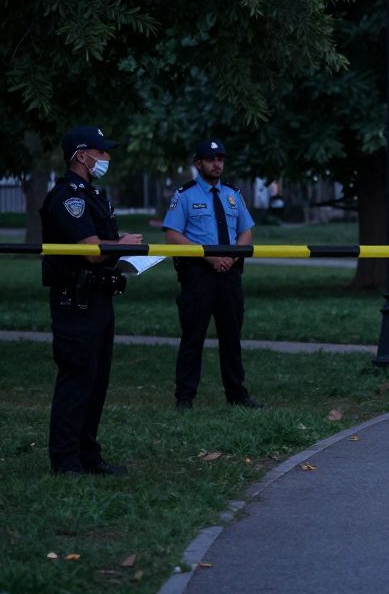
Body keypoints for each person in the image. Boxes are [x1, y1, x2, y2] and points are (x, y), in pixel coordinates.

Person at [40, 126, 143, 475]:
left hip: (99, 298)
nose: (106, 158)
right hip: (76, 301)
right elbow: (91, 251)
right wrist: (124, 245)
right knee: (77, 380)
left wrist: (123, 251)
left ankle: (88, 455)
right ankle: (66, 461)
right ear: (81, 155)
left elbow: (105, 248)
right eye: (100, 152)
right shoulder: (68, 197)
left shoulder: (93, 195)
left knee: (97, 381)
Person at [162, 140, 262, 410]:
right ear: (198, 164)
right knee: (193, 337)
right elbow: (173, 235)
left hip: (229, 275)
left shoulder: (233, 194)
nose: (217, 164)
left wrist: (230, 257)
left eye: (220, 159)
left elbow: (246, 231)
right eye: (210, 159)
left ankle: (237, 395)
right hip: (198, 275)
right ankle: (185, 398)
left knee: (231, 337)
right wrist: (210, 256)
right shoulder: (185, 195)